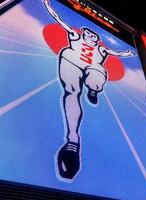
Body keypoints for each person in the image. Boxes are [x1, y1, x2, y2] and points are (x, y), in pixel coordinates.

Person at [43, 0, 134, 180]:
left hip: (91, 67)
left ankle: (93, 88)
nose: (91, 35)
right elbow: (61, 21)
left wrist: (127, 54)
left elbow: (116, 53)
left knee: (98, 71)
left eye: (94, 35)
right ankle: (72, 139)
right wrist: (48, 5)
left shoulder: (100, 50)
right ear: (83, 33)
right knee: (72, 92)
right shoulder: (75, 37)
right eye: (88, 33)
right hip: (71, 61)